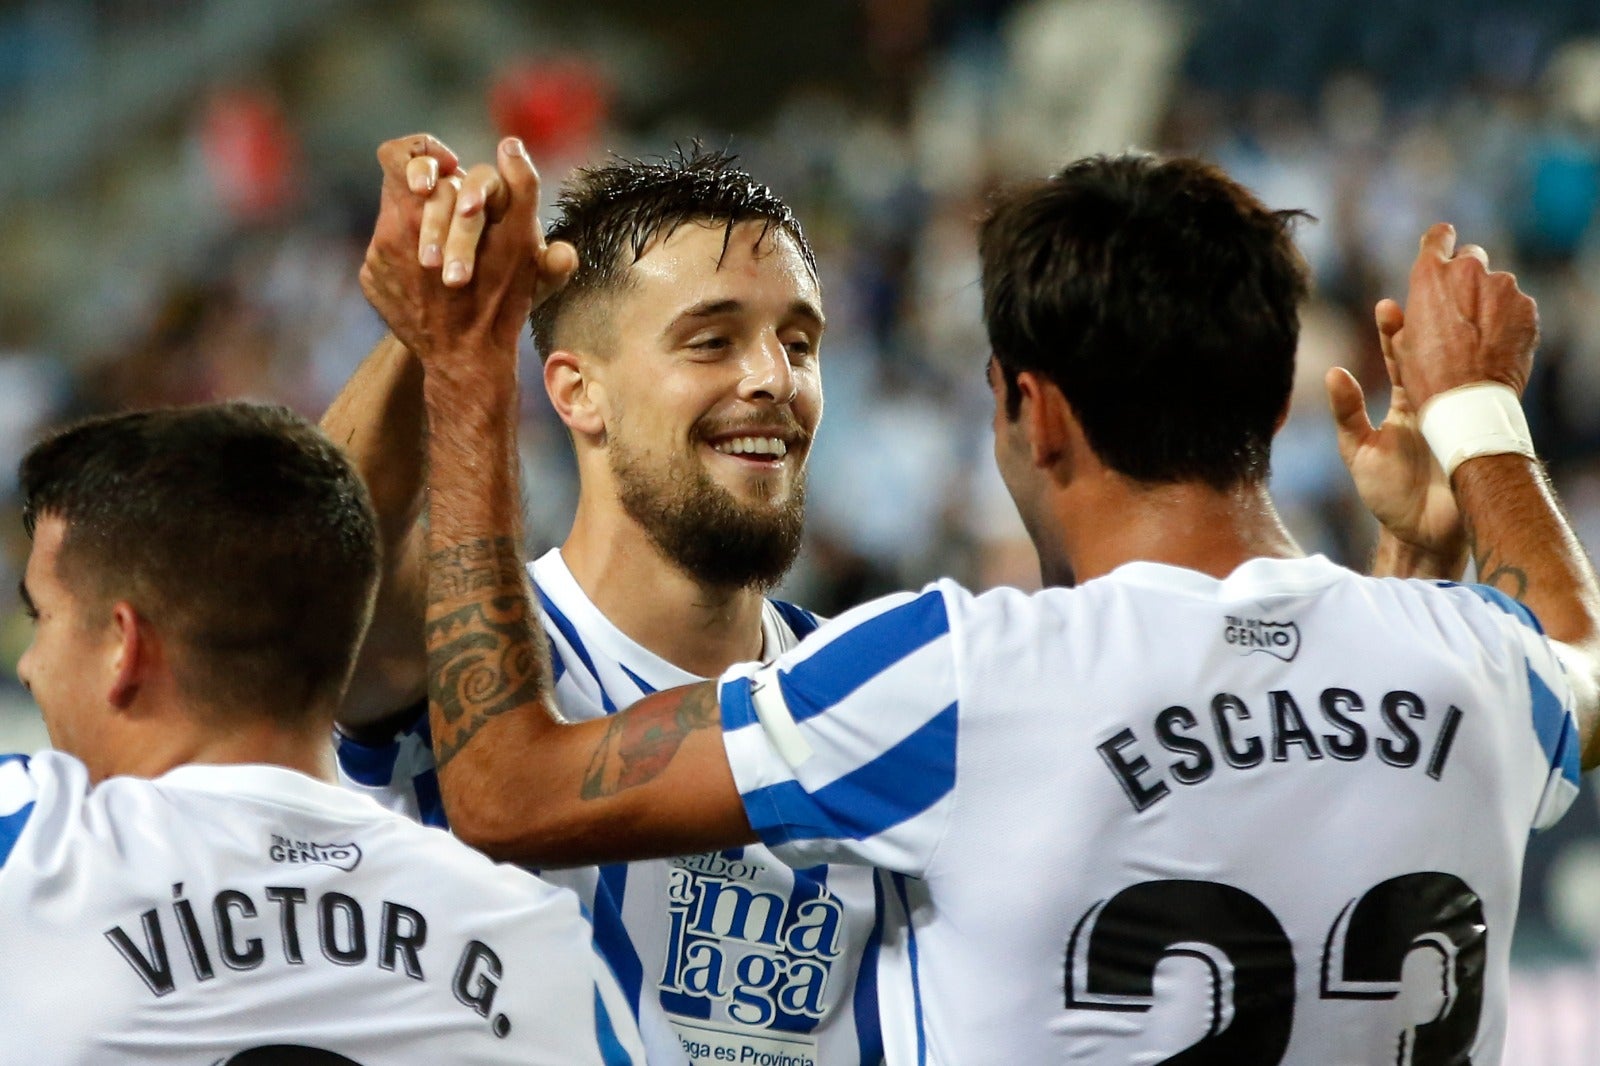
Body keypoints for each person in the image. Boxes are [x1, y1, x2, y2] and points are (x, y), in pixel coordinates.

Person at [409, 147, 1599, 1064]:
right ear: (1272, 408)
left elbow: (506, 790)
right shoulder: (1469, 666)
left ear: (1033, 413)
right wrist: (1474, 419)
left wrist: (464, 370)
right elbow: (1572, 650)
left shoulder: (956, 675)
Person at [326, 134, 883, 1066]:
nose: (775, 381)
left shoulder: (875, 689)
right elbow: (318, 564)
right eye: (711, 341)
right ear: (577, 393)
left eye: (800, 343)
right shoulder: (475, 659)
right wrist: (436, 327)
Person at [0, 402, 646, 1065]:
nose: (29, 666)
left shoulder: (33, 847)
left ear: (123, 645)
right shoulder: (540, 940)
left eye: (42, 617)